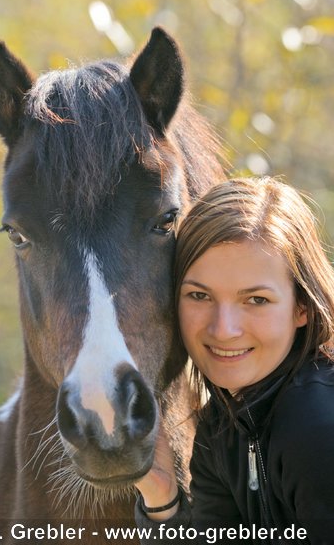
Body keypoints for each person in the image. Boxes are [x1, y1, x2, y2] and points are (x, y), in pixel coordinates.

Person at [134, 176, 334, 544]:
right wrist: (161, 497)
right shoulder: (223, 425)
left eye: (256, 300)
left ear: (302, 307)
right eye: (199, 295)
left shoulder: (320, 426)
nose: (223, 330)